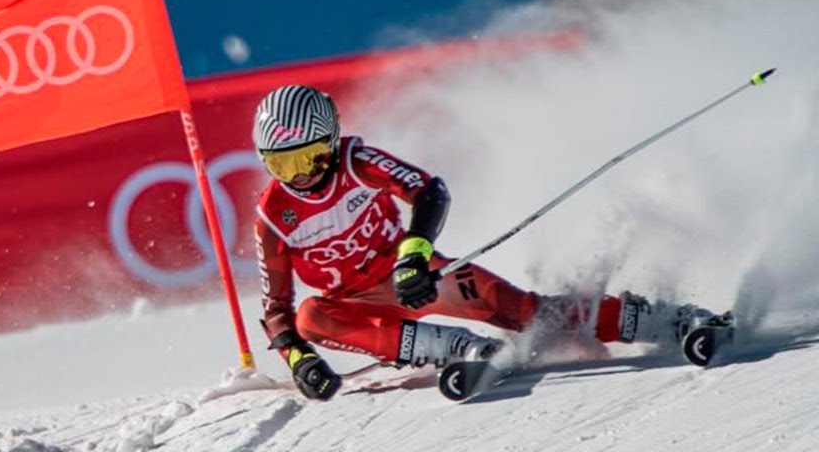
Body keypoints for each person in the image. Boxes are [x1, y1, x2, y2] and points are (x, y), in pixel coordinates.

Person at [251, 84, 713, 400]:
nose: (300, 176)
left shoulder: (356, 161)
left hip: (415, 276)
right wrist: (299, 361)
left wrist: (415, 256)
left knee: (527, 313)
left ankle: (665, 322)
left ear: (331, 143)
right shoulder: (273, 216)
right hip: (359, 306)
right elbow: (277, 310)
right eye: (281, 165)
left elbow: (429, 191)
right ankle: (459, 348)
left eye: (308, 158)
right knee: (311, 318)